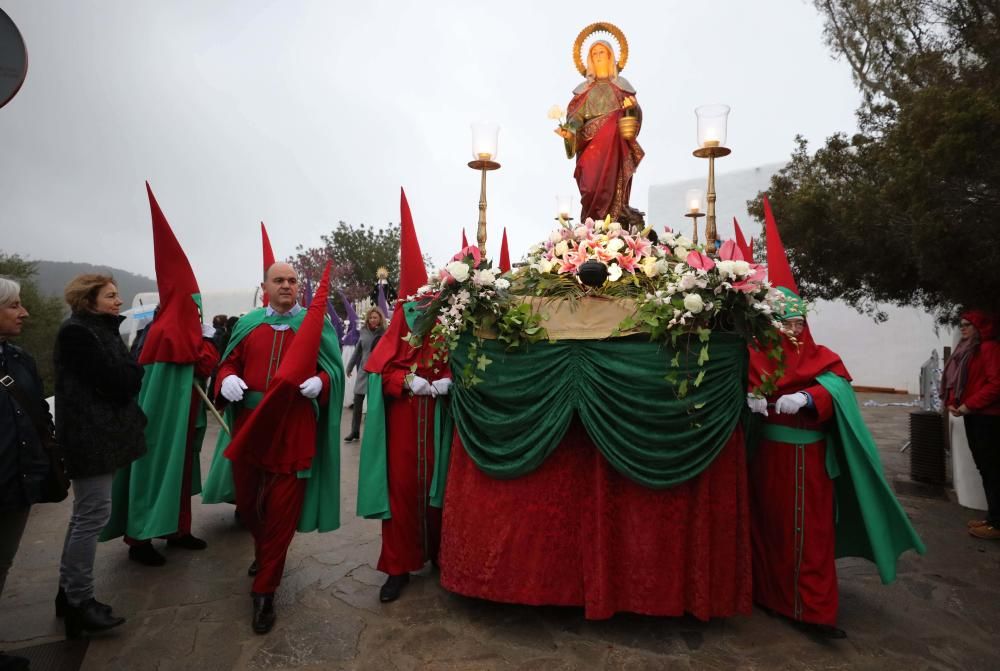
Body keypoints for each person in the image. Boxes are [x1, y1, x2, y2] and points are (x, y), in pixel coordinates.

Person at [745, 200, 924, 639]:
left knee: (809, 538)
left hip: (807, 463)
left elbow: (839, 386)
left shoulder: (821, 357)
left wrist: (810, 396)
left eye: (795, 321)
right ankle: (767, 595)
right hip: (765, 457)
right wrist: (746, 400)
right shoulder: (754, 357)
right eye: (781, 322)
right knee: (767, 532)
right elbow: (739, 388)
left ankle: (813, 610)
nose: (790, 330)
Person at [210, 262, 343, 634]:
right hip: (250, 429)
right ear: (264, 286)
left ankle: (265, 591)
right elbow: (227, 363)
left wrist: (321, 381)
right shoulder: (247, 324)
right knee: (251, 507)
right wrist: (227, 378)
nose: (287, 285)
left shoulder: (317, 326)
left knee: (282, 512)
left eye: (292, 280)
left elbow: (332, 370)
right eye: (279, 280)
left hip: (294, 429)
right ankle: (263, 553)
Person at [54, 274, 146, 639]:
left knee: (84, 516)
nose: (118, 301)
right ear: (88, 300)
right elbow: (121, 380)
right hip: (90, 439)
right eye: (110, 296)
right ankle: (80, 601)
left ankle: (68, 593)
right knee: (92, 516)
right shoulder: (79, 334)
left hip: (96, 437)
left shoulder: (96, 330)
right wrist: (132, 367)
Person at [0, 277, 53, 670]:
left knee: (3, 562)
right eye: (14, 305)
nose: (24, 312)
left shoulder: (19, 358)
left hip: (17, 482)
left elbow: (37, 411)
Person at [555, 39, 644, 223]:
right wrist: (570, 131)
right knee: (590, 189)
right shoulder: (585, 91)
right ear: (589, 60)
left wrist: (631, 109)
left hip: (616, 148)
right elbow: (576, 117)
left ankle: (617, 216)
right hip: (590, 150)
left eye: (602, 52)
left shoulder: (622, 87)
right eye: (594, 54)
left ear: (611, 56)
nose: (598, 56)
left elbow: (634, 114)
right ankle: (591, 224)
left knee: (615, 120)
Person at [941, 310, 1000, 539]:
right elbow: (966, 380)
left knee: (992, 468)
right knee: (985, 467)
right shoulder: (969, 351)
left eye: (967, 325)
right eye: (961, 325)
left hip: (988, 416)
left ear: (979, 327)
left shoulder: (988, 349)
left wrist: (969, 405)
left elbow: (996, 384)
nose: (962, 328)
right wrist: (955, 402)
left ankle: (996, 522)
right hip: (976, 414)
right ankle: (992, 517)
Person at [343, 307, 386, 442]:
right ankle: (354, 431)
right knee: (357, 402)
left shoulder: (385, 333)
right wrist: (349, 367)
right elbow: (357, 351)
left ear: (380, 318)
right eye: (371, 317)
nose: (373, 320)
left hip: (377, 372)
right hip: (363, 371)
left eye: (375, 317)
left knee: (375, 404)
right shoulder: (363, 332)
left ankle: (375, 432)